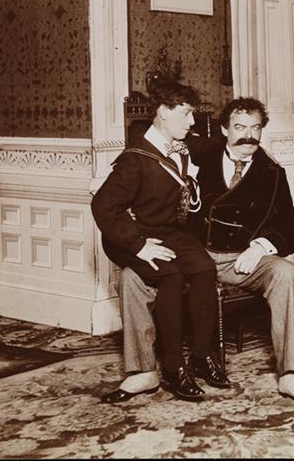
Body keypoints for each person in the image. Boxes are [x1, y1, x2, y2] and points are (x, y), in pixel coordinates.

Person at [119, 97, 294, 409]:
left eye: (256, 128)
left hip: (239, 259)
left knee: (286, 274)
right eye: (240, 127)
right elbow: (147, 153)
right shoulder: (195, 156)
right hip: (189, 253)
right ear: (224, 129)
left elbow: (289, 226)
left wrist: (260, 247)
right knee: (131, 276)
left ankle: (291, 374)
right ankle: (143, 371)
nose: (248, 136)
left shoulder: (272, 173)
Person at [91, 72, 228, 403]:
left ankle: (200, 356)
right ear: (164, 112)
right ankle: (173, 367)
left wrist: (244, 140)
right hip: (133, 237)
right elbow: (103, 206)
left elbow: (215, 145)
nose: (193, 121)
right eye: (187, 113)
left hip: (168, 233)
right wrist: (139, 246)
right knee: (171, 275)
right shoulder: (135, 159)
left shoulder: (183, 145)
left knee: (205, 268)